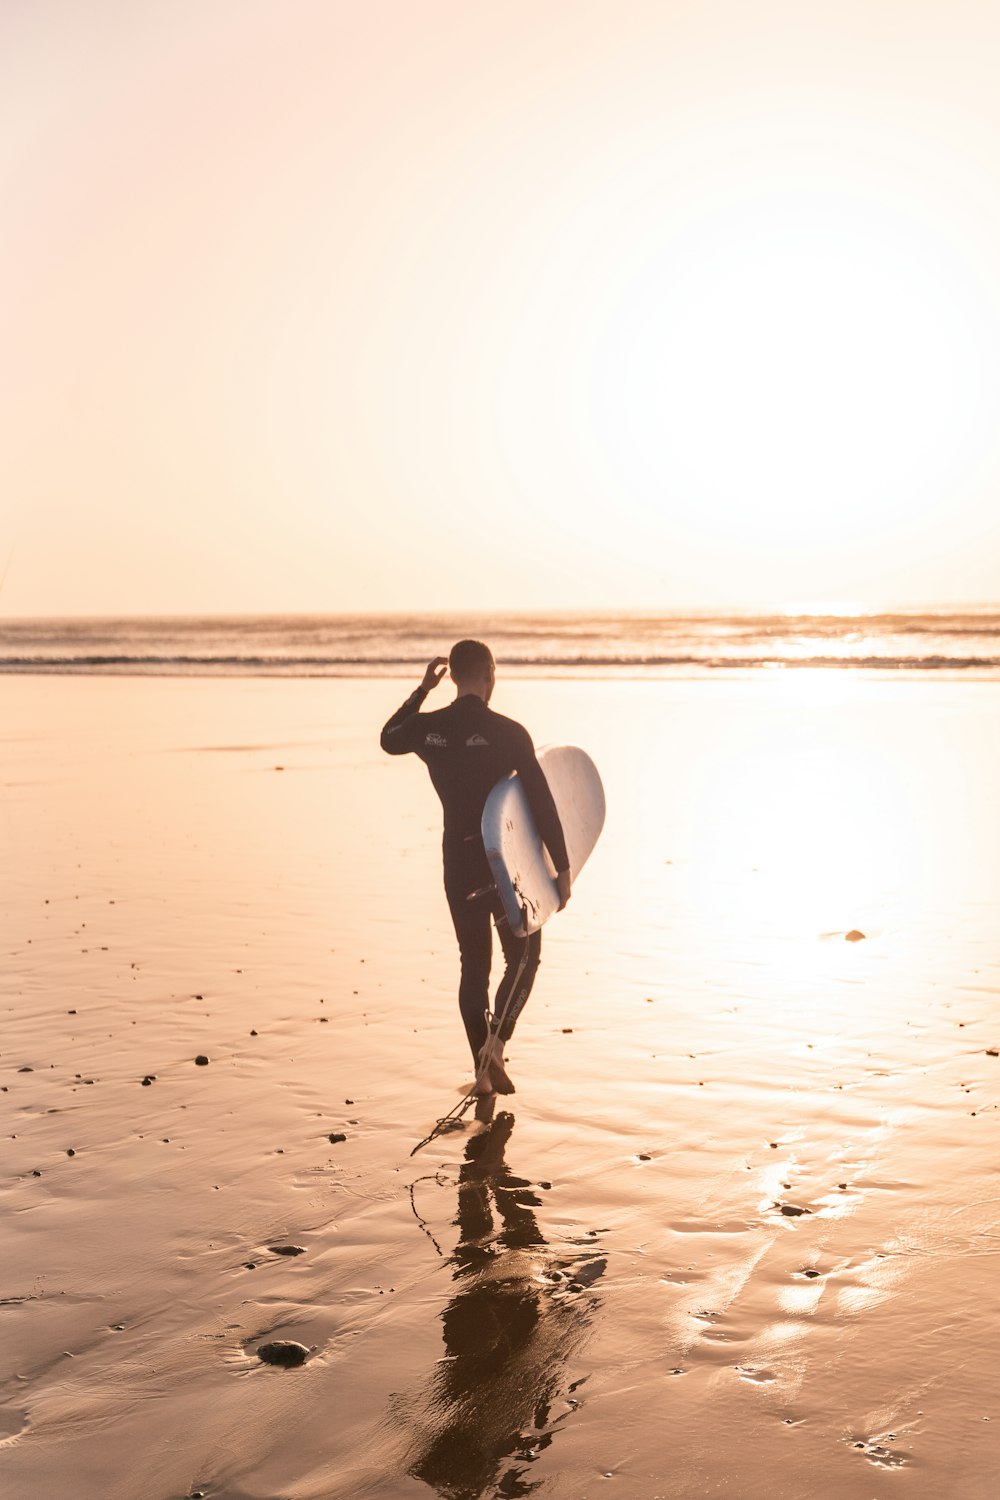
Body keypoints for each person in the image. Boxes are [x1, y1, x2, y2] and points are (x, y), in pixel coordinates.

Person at [380, 639, 571, 1097]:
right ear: (490, 673)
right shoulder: (508, 732)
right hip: (502, 868)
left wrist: (423, 690)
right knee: (525, 956)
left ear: (453, 675)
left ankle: (481, 1073)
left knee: (474, 966)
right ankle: (496, 1046)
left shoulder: (429, 730)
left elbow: (389, 739)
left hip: (457, 863)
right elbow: (541, 803)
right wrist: (561, 867)